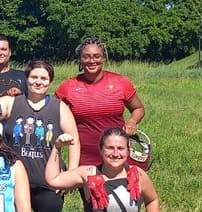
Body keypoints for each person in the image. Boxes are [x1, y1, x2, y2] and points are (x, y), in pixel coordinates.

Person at [0, 60, 80, 212]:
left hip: (48, 181)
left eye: (43, 78)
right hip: (13, 179)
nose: (38, 82)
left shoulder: (59, 107)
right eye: (34, 77)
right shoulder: (12, 102)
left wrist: (70, 175)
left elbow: (74, 139)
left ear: (50, 81)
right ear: (26, 78)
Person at [55, 37, 145, 173]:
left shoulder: (120, 82)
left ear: (103, 58)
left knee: (122, 193)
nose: (92, 61)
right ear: (80, 59)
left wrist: (132, 121)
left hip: (117, 154)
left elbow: (138, 108)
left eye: (96, 56)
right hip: (85, 157)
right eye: (86, 57)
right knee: (93, 194)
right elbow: (50, 113)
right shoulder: (68, 86)